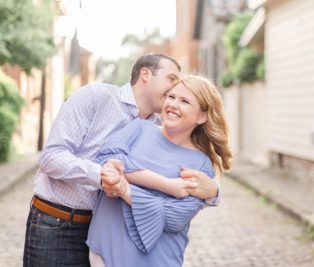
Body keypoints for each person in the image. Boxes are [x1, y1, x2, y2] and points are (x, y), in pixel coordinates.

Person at [23, 54, 220, 267]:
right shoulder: (95, 96)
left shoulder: (156, 127)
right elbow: (51, 156)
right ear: (146, 74)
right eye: (172, 78)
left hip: (102, 234)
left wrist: (214, 192)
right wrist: (103, 176)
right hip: (58, 224)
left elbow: (186, 182)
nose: (176, 87)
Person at [87, 75, 233, 267]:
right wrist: (168, 186)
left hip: (159, 260)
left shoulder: (200, 165)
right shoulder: (139, 128)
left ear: (202, 116)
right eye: (171, 97)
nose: (173, 104)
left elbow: (173, 217)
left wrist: (125, 189)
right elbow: (105, 159)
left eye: (184, 101)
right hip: (105, 253)